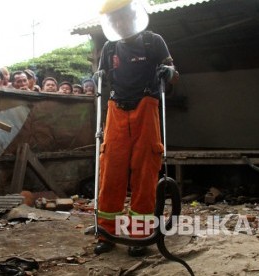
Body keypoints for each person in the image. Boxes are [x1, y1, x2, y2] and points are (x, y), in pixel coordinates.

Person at [94, 0, 179, 257]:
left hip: (147, 106)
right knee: (111, 171)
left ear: (132, 16)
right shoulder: (109, 49)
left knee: (145, 172)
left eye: (123, 17)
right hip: (116, 110)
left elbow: (174, 74)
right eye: (114, 19)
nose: (120, 23)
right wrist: (94, 80)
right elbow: (100, 80)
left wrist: (169, 72)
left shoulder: (154, 42)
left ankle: (139, 235)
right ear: (110, 23)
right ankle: (106, 232)